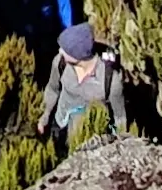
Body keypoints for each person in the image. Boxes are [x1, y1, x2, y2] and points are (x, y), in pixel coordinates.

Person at [45, 10, 122, 143]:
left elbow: (120, 117)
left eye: (65, 49)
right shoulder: (59, 62)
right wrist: (45, 116)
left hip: (92, 138)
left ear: (78, 55)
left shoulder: (111, 80)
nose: (60, 51)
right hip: (60, 128)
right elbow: (52, 89)